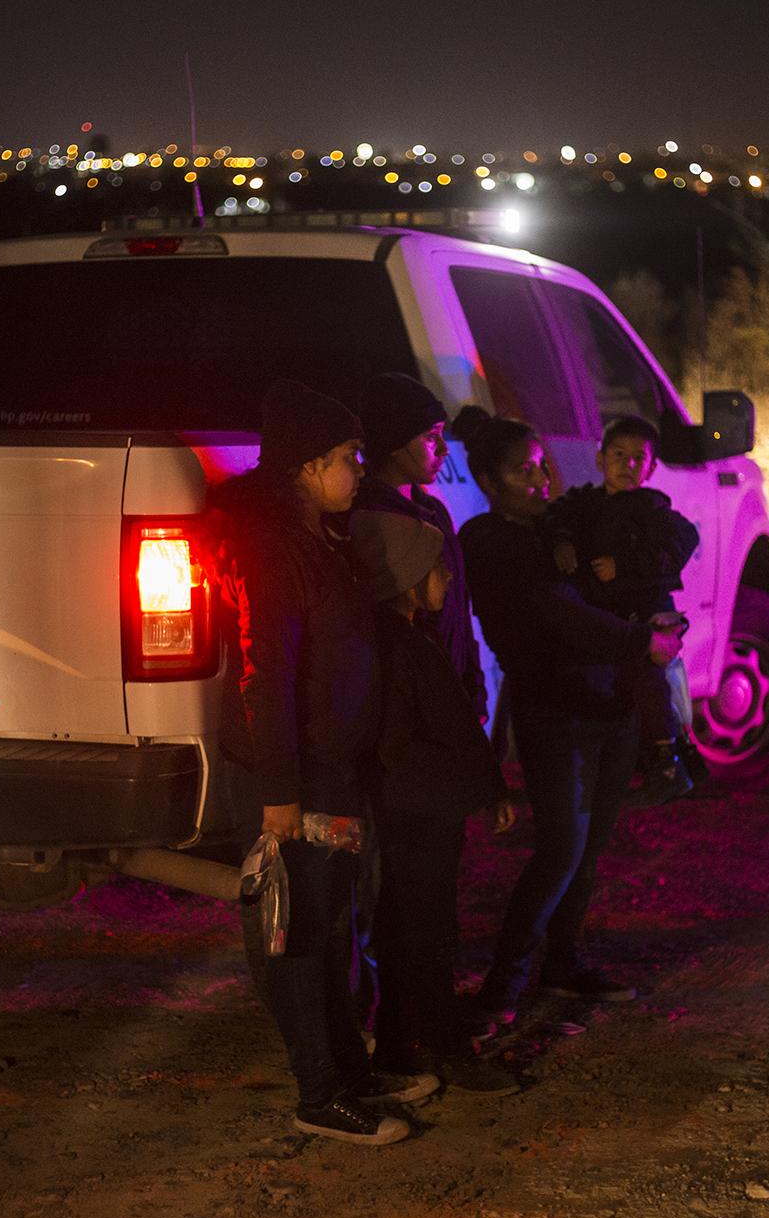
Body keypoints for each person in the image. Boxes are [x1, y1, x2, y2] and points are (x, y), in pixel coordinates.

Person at [210, 378, 436, 1145]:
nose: (358, 469)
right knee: (299, 937)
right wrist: (277, 793)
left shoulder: (317, 538)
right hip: (294, 782)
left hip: (331, 774)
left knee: (332, 928)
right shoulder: (269, 552)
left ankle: (350, 1069)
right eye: (348, 456)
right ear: (306, 465)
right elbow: (262, 672)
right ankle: (319, 1092)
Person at [452, 409, 686, 1032]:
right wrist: (643, 642)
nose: (540, 479)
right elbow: (560, 617)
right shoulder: (488, 541)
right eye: (522, 471)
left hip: (607, 705)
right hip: (555, 712)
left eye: (541, 466)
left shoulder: (557, 529)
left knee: (588, 849)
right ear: (488, 479)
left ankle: (565, 960)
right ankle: (502, 987)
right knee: (559, 850)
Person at [348, 509, 522, 1096]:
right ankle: (439, 1044)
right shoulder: (398, 649)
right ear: (409, 577)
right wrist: (470, 790)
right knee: (424, 931)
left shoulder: (404, 639)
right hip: (418, 817)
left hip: (422, 811)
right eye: (439, 569)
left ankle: (403, 1043)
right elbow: (406, 745)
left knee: (409, 929)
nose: (449, 580)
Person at [545, 415, 704, 802]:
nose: (627, 464)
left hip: (645, 612)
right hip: (604, 620)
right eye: (619, 454)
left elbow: (683, 542)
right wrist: (562, 542)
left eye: (638, 458)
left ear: (650, 468)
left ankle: (668, 761)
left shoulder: (652, 510)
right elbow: (554, 518)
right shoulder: (584, 503)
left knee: (647, 681)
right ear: (600, 459)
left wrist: (626, 566)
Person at [355, 372, 487, 718]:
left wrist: (474, 684)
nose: (444, 450)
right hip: (414, 704)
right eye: (431, 438)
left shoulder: (434, 511)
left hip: (452, 688)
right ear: (394, 444)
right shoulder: (369, 519)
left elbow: (459, 605)